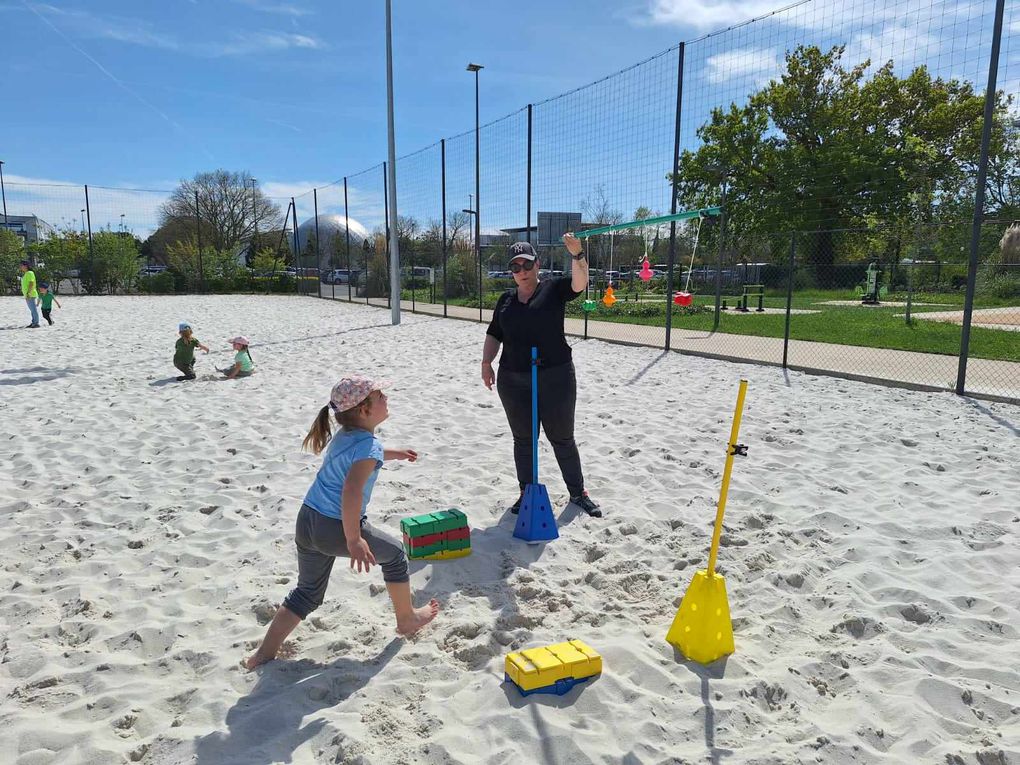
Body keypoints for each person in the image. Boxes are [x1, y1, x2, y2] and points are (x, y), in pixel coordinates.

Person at [245, 376, 439, 670]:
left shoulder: (346, 435)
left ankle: (263, 654)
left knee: (307, 593)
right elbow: (352, 491)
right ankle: (406, 618)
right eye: (380, 396)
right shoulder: (368, 446)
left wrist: (394, 454)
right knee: (397, 555)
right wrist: (354, 539)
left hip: (307, 519)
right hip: (336, 527)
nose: (386, 398)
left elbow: (359, 458)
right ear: (364, 410)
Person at [481, 236, 602, 518]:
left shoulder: (553, 289)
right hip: (513, 378)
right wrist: (487, 362)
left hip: (555, 375)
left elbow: (579, 284)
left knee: (561, 437)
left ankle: (577, 492)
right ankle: (527, 492)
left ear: (537, 264)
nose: (521, 271)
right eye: (515, 267)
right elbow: (494, 333)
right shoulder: (506, 300)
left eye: (526, 264)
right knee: (523, 439)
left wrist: (578, 255)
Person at [19, 261, 39, 328]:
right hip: (28, 294)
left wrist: (29, 293)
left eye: (21, 265)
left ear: (26, 266)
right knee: (32, 309)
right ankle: (33, 322)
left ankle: (36, 323)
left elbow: (31, 283)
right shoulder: (26, 273)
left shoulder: (30, 273)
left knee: (33, 309)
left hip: (31, 294)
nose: (20, 267)